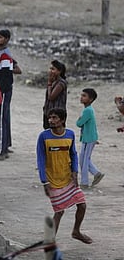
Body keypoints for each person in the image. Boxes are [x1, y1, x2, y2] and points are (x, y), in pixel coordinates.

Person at [36, 108, 93, 245]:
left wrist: (75, 172)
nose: (51, 120)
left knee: (82, 205)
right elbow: (40, 159)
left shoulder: (70, 134)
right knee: (59, 211)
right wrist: (44, 181)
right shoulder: (43, 136)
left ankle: (76, 231)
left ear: (62, 120)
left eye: (54, 118)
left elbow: (73, 154)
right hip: (52, 180)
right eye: (50, 118)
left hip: (68, 178)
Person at [76, 88, 104, 189]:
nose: (81, 97)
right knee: (83, 159)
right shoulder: (87, 110)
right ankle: (96, 173)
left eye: (84, 96)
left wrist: (79, 120)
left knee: (84, 160)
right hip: (87, 138)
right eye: (82, 95)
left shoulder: (88, 111)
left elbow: (79, 123)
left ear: (91, 99)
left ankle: (84, 182)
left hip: (89, 138)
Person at [0, 29, 14, 160]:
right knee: (2, 118)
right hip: (2, 90)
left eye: (0, 37)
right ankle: (3, 146)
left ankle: (1, 151)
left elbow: (6, 75)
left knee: (0, 119)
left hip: (3, 90)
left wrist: (0, 91)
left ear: (6, 39)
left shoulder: (4, 55)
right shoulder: (1, 53)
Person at [43, 60, 67, 129]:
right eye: (50, 68)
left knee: (56, 133)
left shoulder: (61, 83)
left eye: (53, 69)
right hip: (48, 112)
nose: (50, 71)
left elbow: (51, 97)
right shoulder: (54, 80)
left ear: (59, 71)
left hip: (57, 114)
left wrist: (49, 83)